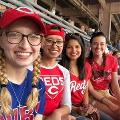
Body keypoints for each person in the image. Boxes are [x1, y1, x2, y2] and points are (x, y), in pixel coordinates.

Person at [0, 7, 46, 120]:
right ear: (1, 40)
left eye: (34, 36)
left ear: (41, 44)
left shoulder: (39, 85)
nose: (25, 46)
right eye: (14, 35)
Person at [59, 33, 113, 120]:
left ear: (82, 48)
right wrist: (77, 109)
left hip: (82, 106)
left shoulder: (86, 66)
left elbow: (85, 89)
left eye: (77, 47)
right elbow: (59, 100)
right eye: (69, 47)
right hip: (68, 109)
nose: (74, 50)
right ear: (64, 49)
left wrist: (87, 106)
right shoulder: (60, 69)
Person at [40, 24, 71, 120]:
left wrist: (58, 113)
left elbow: (67, 105)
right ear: (42, 43)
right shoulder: (29, 68)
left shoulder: (64, 72)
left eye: (59, 41)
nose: (54, 45)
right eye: (50, 41)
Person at [87, 32, 120, 120]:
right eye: (95, 43)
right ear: (90, 45)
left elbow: (115, 86)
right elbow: (91, 90)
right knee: (116, 115)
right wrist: (110, 104)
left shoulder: (112, 60)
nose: (98, 47)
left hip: (106, 93)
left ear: (105, 46)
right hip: (91, 96)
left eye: (102, 44)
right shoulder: (86, 63)